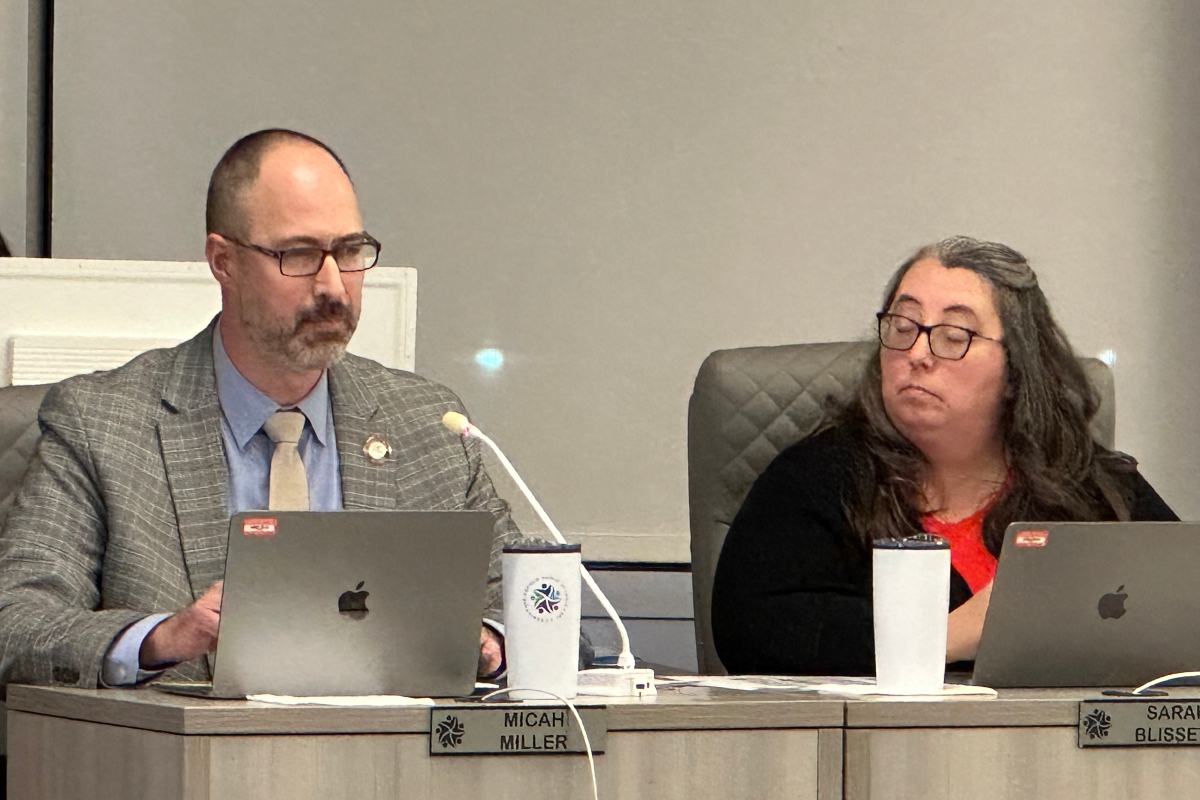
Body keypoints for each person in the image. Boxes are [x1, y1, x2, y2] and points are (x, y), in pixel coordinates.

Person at [0, 129, 519, 689]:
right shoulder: (103, 424)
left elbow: (537, 605)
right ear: (224, 262)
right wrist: (160, 638)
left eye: (348, 253)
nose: (333, 287)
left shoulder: (430, 426)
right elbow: (19, 625)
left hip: (383, 769)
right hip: (186, 768)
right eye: (297, 255)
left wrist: (488, 641)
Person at [711, 236, 1178, 676]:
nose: (917, 353)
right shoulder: (817, 477)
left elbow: (1185, 596)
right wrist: (949, 636)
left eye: (954, 335)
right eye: (903, 326)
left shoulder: (1083, 479)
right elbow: (750, 631)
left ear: (1017, 368)